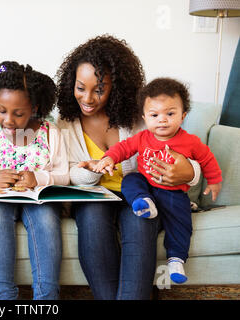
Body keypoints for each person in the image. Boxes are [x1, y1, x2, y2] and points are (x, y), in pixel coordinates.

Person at [55, 35, 201, 299]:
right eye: (80, 87)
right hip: (94, 197)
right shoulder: (65, 123)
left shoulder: (144, 116)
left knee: (141, 221)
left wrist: (189, 171)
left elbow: (185, 156)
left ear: (117, 87)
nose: (87, 98)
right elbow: (68, 175)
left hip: (141, 193)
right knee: (92, 220)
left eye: (99, 90)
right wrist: (91, 169)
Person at [80, 77, 222, 284]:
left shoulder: (190, 141)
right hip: (146, 187)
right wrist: (108, 158)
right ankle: (142, 202)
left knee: (181, 224)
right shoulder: (142, 137)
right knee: (131, 179)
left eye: (170, 114)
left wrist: (214, 180)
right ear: (145, 117)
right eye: (155, 115)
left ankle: (176, 259)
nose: (162, 120)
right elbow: (123, 148)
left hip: (172, 192)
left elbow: (207, 159)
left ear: (183, 116)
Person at [0, 61, 69, 300]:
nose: (8, 120)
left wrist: (39, 178)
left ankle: (46, 298)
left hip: (38, 200)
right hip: (0, 200)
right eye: (1, 110)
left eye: (18, 113)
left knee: (45, 220)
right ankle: (2, 297)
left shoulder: (50, 132)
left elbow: (64, 174)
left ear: (34, 108)